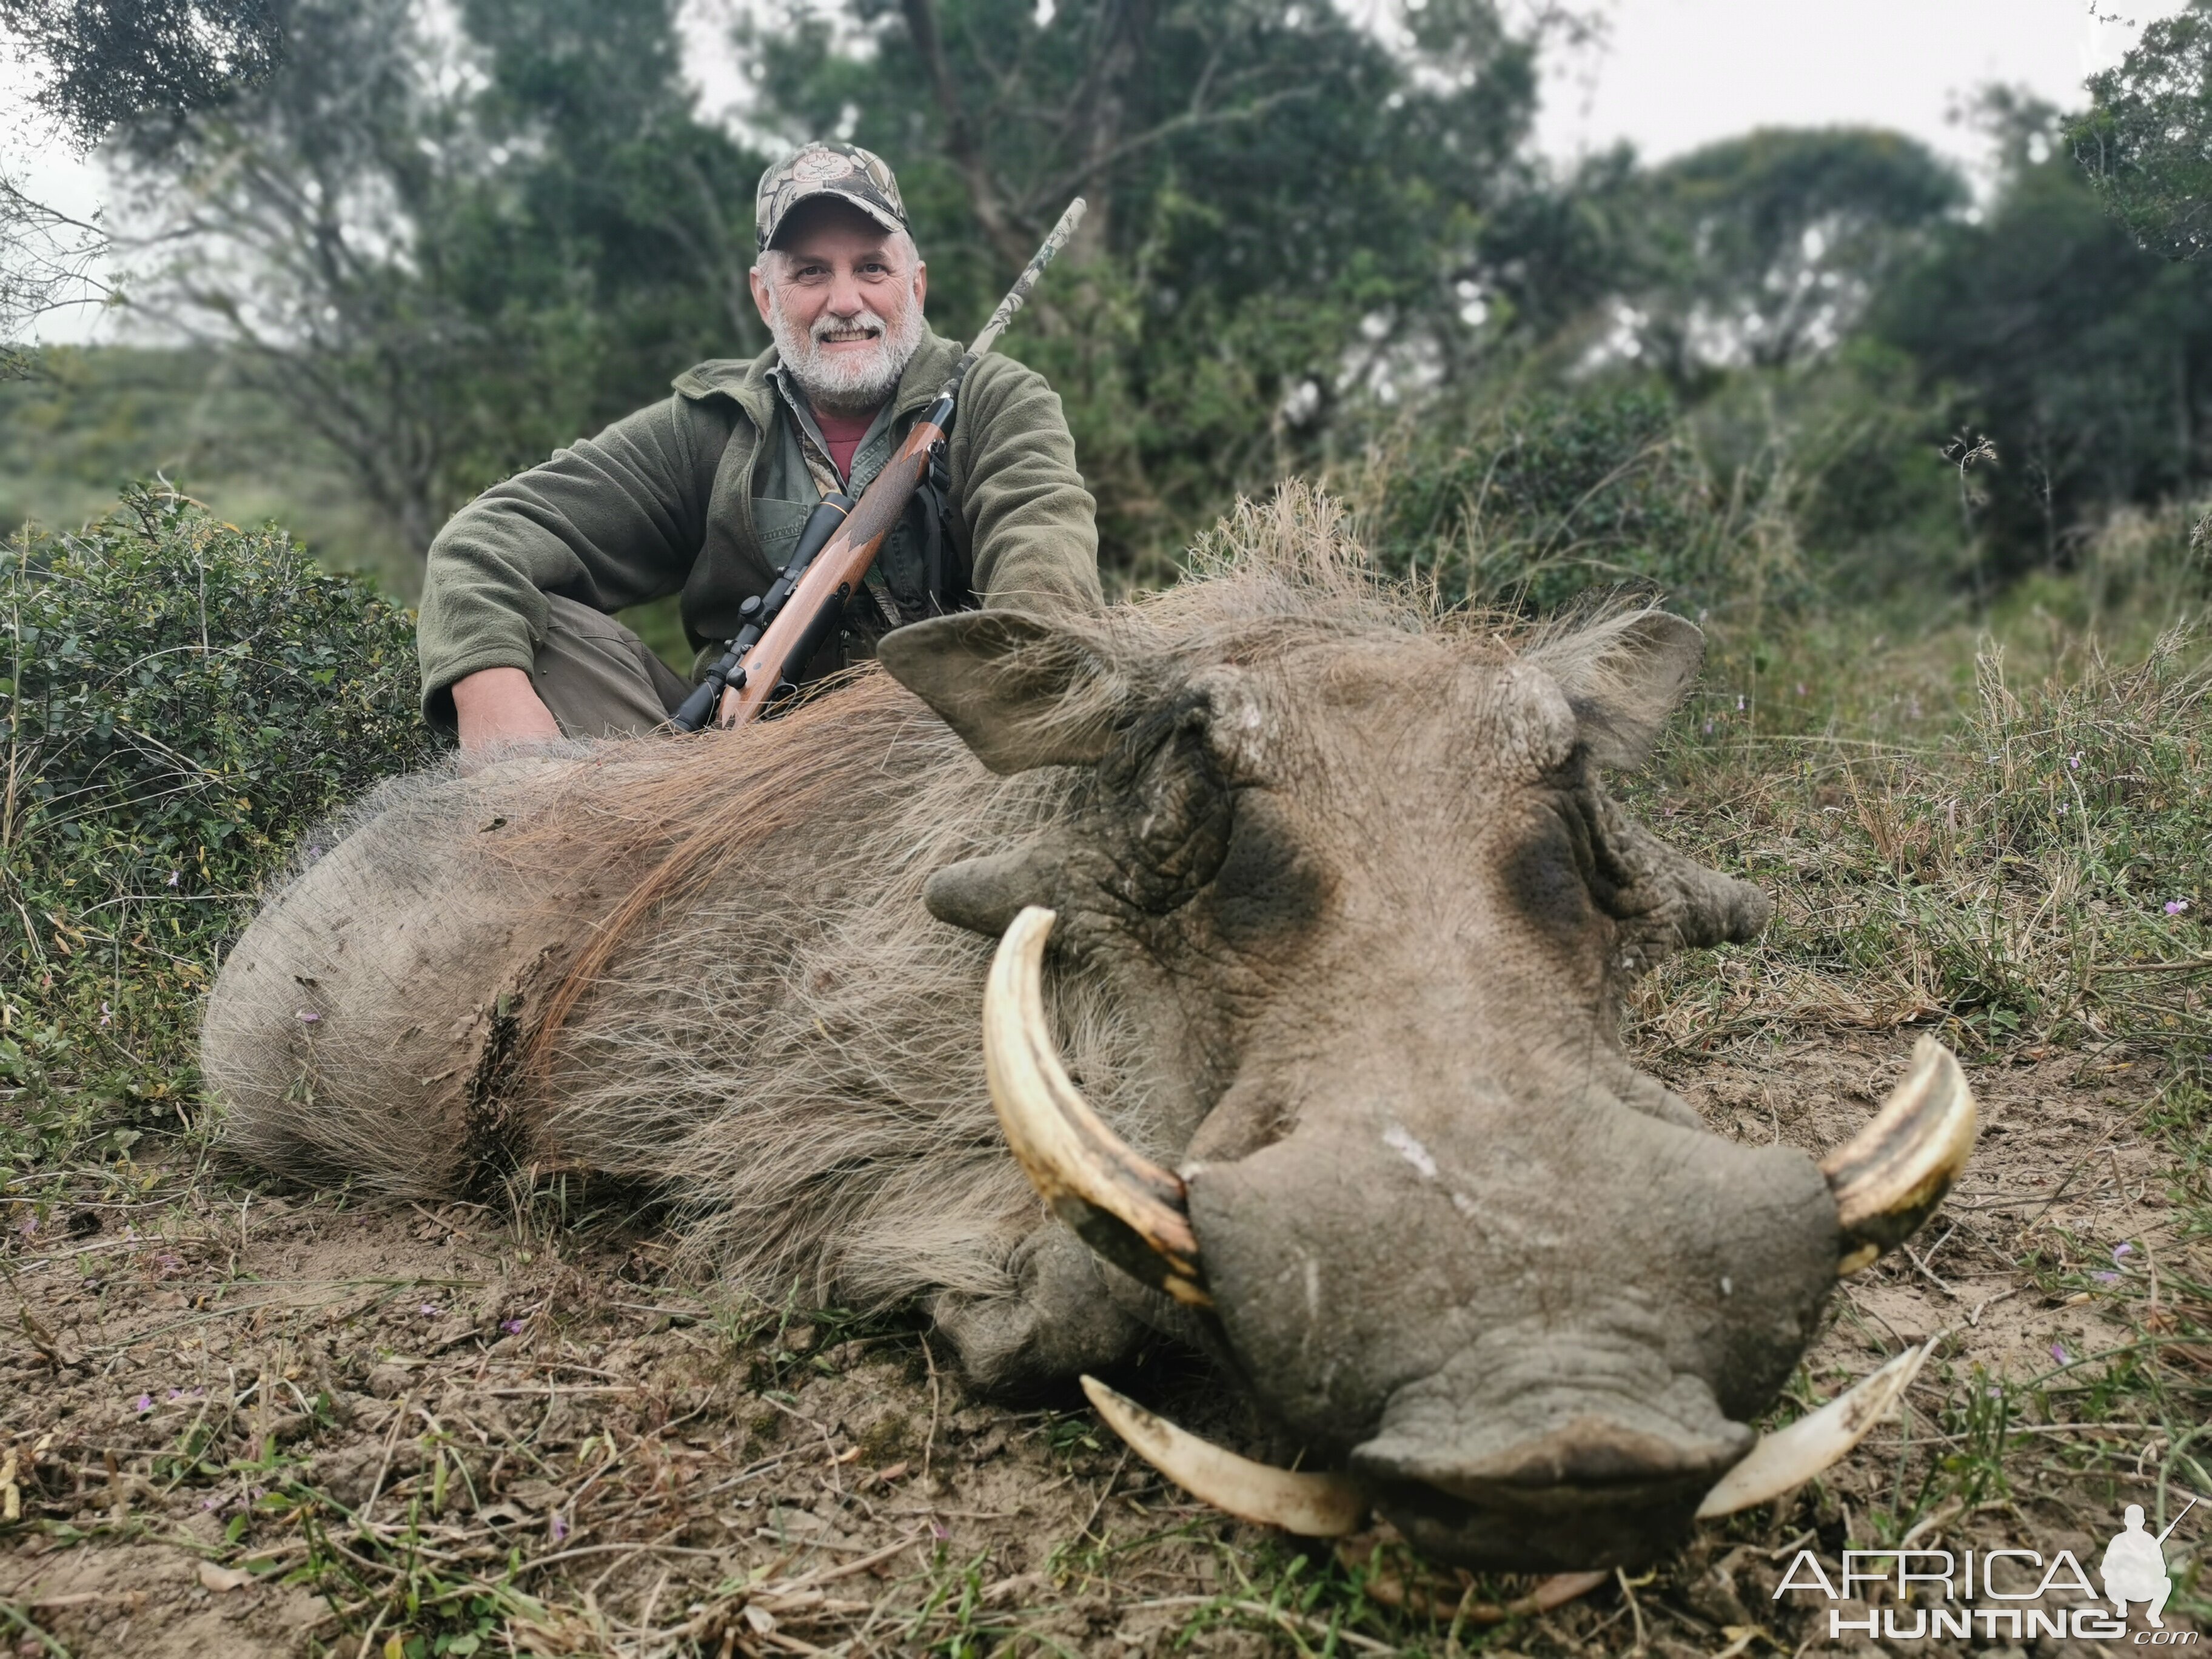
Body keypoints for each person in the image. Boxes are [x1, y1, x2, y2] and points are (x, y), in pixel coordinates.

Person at [416, 141, 1102, 749]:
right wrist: (498, 714)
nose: (844, 301)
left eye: (871, 267)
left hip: (937, 757)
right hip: (732, 776)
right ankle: (592, 836)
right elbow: (483, 542)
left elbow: (1042, 541)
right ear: (764, 298)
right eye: (809, 273)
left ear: (915, 284)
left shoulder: (997, 400)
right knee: (540, 636)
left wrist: (1027, 674)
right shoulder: (706, 427)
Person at [2100, 1504, 2172, 1626]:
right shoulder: (2118, 1540)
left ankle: (2153, 1615)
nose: (2134, 1524)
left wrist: (2149, 1564)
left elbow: (2162, 1569)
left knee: (2166, 1583)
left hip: (2144, 1586)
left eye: (2137, 1520)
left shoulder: (2151, 1542)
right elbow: (2106, 1567)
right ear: (2125, 1521)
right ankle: (2121, 1607)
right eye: (2131, 1520)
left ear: (2143, 1521)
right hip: (2122, 1586)